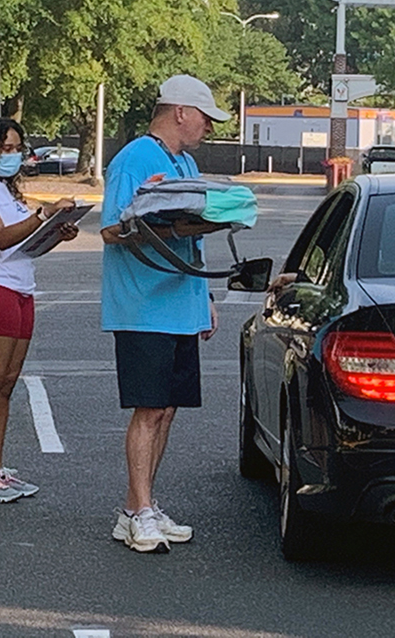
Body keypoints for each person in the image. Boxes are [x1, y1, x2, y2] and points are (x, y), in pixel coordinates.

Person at [100, 75, 230, 553]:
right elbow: (112, 229)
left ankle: (141, 507)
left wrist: (204, 298)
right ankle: (139, 510)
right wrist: (156, 222)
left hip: (180, 301)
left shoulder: (186, 161)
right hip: (143, 304)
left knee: (168, 409)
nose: (208, 128)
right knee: (149, 409)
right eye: (204, 118)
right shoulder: (134, 158)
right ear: (180, 112)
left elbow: (190, 237)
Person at [0, 117, 78, 503]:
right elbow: (0, 237)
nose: (12, 155)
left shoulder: (6, 191)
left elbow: (26, 246)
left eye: (17, 149)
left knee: (6, 385)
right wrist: (42, 215)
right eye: (5, 148)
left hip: (20, 287)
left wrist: (57, 231)